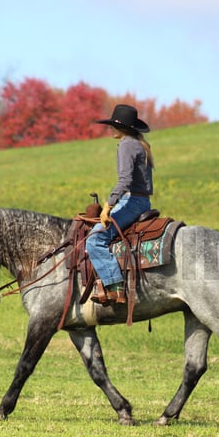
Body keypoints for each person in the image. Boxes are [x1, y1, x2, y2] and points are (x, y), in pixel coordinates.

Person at [86, 104, 155, 305]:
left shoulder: (127, 145)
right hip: (142, 200)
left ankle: (116, 287)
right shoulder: (138, 144)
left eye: (112, 126)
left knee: (94, 240)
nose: (110, 129)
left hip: (131, 200)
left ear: (121, 128)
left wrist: (108, 205)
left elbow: (124, 180)